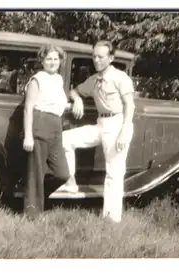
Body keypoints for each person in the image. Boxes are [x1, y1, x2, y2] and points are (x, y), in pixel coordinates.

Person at [60, 40, 136, 223]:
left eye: (100, 57)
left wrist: (125, 131)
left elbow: (130, 105)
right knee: (65, 139)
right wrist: (77, 99)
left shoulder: (120, 78)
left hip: (118, 124)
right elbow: (74, 91)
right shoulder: (94, 80)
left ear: (110, 58)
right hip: (101, 124)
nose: (96, 60)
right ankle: (70, 184)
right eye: (94, 56)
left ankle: (111, 218)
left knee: (114, 171)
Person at [22, 44, 71, 219]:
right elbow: (28, 108)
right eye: (48, 58)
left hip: (56, 126)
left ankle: (35, 198)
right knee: (36, 171)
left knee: (62, 173)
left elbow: (58, 102)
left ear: (60, 61)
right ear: (42, 61)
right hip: (40, 123)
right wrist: (28, 135)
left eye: (55, 59)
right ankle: (32, 214)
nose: (52, 62)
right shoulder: (38, 79)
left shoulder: (58, 79)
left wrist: (76, 101)